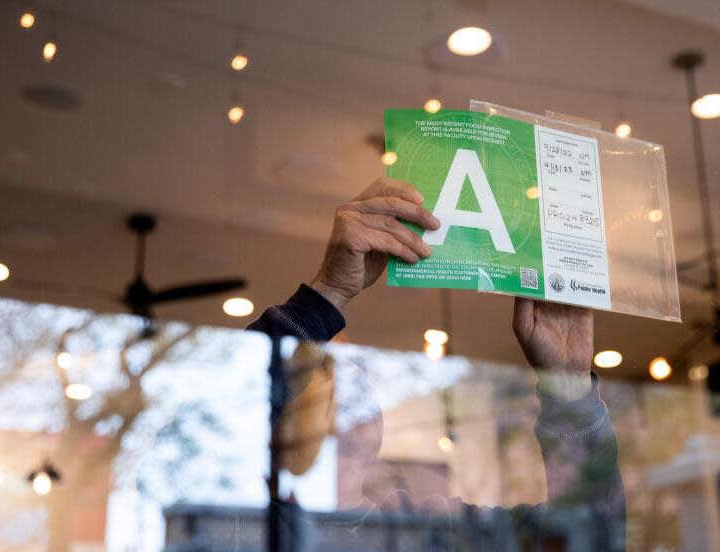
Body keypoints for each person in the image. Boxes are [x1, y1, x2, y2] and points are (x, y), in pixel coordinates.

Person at [248, 177, 625, 550]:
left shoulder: (428, 531)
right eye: (318, 374)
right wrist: (324, 297)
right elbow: (235, 393)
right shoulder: (229, 521)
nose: (343, 399)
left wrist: (568, 385)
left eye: (353, 377)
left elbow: (588, 533)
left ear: (373, 427)